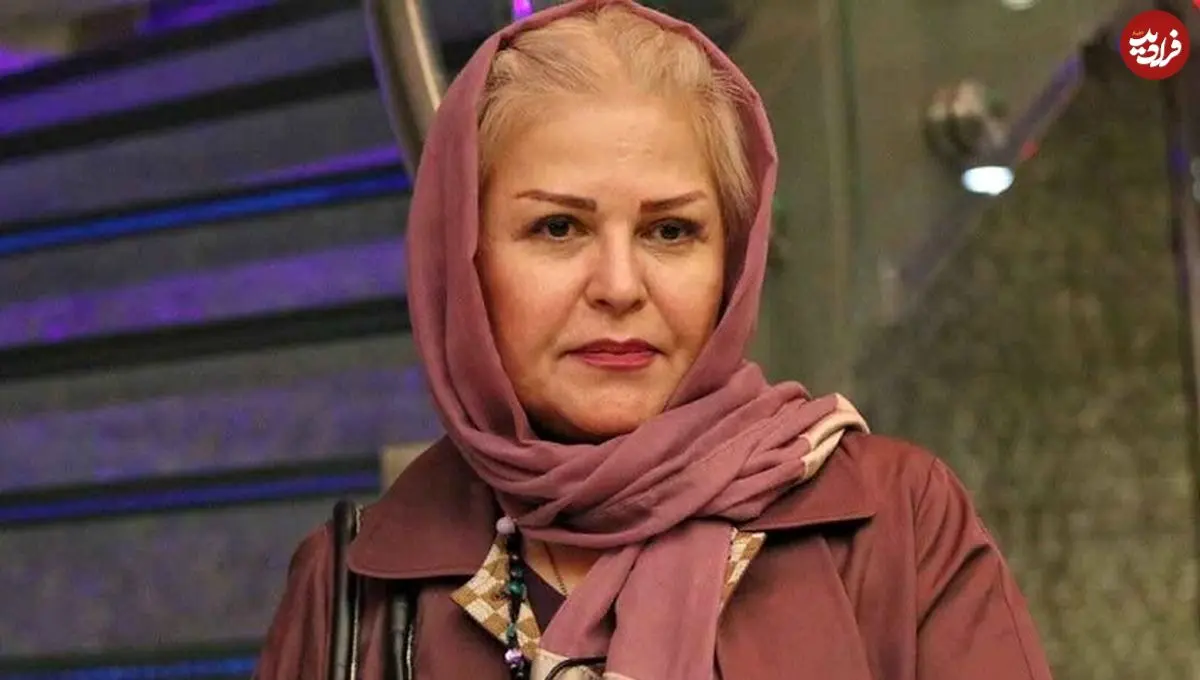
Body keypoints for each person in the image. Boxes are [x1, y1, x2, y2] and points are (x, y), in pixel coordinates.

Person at [254, 1, 1055, 679]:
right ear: (464, 263)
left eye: (670, 231)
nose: (619, 285)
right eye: (558, 227)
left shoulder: (895, 524)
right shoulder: (353, 587)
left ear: (731, 261)